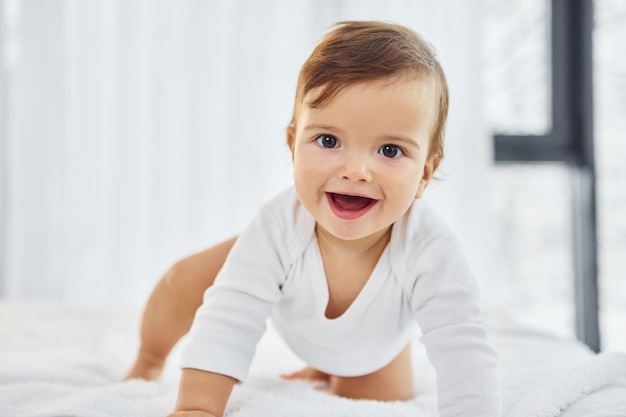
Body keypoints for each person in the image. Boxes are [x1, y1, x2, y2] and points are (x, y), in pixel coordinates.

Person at [125, 20, 501, 417]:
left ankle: (327, 365)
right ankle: (147, 358)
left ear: (425, 172)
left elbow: (463, 343)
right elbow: (229, 318)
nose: (356, 170)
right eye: (328, 141)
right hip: (281, 270)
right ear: (293, 145)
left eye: (390, 150)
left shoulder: (429, 247)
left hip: (374, 344)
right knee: (185, 283)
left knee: (378, 396)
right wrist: (197, 407)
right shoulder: (276, 226)